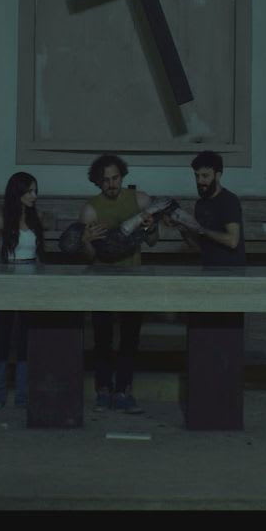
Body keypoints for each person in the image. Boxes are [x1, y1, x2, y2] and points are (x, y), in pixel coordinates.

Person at [78, 153, 157, 414]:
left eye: (115, 178)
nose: (111, 184)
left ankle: (123, 390)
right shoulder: (90, 209)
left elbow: (152, 241)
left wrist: (150, 227)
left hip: (133, 278)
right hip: (102, 279)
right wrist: (86, 241)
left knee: (130, 337)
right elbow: (88, 257)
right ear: (97, 181)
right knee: (102, 337)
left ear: (122, 176)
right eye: (106, 180)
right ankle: (103, 390)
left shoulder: (140, 200)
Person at [0, 172, 45, 410]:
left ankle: (24, 395)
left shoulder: (35, 218)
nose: (34, 196)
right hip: (7, 278)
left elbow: (38, 255)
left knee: (27, 338)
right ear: (17, 192)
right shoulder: (0, 219)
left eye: (35, 191)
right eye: (29, 191)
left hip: (30, 278)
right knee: (3, 337)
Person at [169, 150, 246, 266]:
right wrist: (183, 229)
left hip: (231, 271)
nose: (199, 181)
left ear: (218, 175)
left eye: (205, 176)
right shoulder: (201, 204)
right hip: (208, 269)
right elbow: (198, 247)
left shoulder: (229, 200)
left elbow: (233, 241)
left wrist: (201, 229)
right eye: (197, 176)